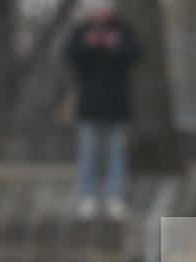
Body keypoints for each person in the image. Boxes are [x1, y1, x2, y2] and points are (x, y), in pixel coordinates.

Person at [64, 0, 142, 220]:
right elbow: (69, 53)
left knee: (116, 154)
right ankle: (87, 197)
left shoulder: (123, 30)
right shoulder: (81, 31)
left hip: (117, 106)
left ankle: (115, 197)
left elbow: (137, 53)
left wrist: (116, 45)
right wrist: (88, 44)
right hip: (88, 106)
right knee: (88, 153)